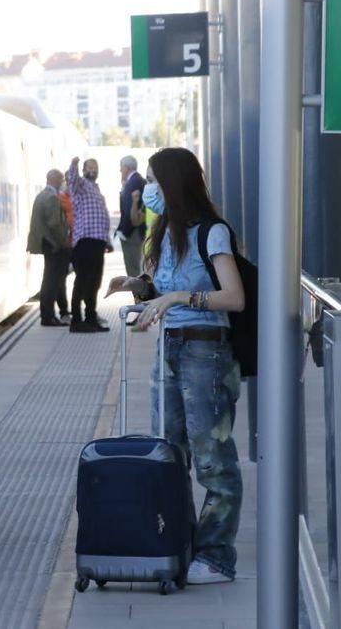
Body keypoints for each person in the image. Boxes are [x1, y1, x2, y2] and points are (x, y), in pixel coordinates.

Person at [106, 147, 245, 585]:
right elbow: (164, 289)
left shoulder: (212, 232)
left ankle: (217, 555)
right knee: (169, 453)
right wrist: (137, 286)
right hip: (169, 351)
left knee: (213, 460)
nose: (147, 190)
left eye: (153, 181)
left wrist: (179, 299)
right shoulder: (166, 233)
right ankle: (178, 544)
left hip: (206, 353)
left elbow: (234, 297)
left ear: (173, 183)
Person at [65, 156, 112, 333]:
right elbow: (71, 178)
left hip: (98, 242)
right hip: (85, 241)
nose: (93, 169)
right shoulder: (80, 185)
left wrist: (107, 241)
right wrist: (74, 164)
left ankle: (91, 318)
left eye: (95, 166)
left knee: (94, 283)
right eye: (89, 167)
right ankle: (76, 321)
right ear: (84, 170)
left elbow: (102, 216)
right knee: (82, 281)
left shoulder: (96, 188)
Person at [28, 169, 72, 327]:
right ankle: (48, 316)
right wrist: (64, 242)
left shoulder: (41, 195)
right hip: (53, 245)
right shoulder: (52, 197)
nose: (62, 183)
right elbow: (54, 224)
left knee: (49, 280)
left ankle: (49, 314)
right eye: (61, 180)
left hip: (46, 244)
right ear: (56, 180)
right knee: (52, 282)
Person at [116, 155, 147, 277]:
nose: (120, 170)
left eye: (121, 167)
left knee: (133, 270)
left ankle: (138, 296)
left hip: (133, 234)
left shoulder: (132, 183)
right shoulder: (137, 181)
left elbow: (130, 212)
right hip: (137, 232)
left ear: (126, 167)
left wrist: (125, 232)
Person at [57, 186, 74, 320]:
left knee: (83, 279)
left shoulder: (77, 196)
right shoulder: (61, 198)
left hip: (77, 243)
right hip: (66, 244)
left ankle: (78, 311)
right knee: (60, 278)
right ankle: (64, 311)